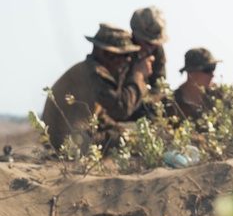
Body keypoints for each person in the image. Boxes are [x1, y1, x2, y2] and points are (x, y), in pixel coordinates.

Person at [41, 23, 154, 156]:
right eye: (123, 54)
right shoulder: (95, 73)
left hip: (70, 139)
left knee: (128, 133)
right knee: (129, 140)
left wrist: (117, 128)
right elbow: (121, 108)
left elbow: (98, 116)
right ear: (104, 53)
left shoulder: (88, 70)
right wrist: (138, 75)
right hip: (69, 143)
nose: (128, 59)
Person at [172, 48, 220, 121]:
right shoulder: (170, 103)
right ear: (191, 72)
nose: (213, 75)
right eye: (207, 70)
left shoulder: (220, 97)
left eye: (213, 68)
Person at [129, 6, 168, 92]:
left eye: (155, 44)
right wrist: (138, 74)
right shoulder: (124, 51)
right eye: (148, 43)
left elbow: (159, 87)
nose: (152, 47)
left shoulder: (157, 50)